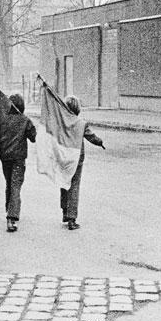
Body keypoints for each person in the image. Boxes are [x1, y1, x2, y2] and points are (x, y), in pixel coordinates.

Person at [59, 95, 105, 231]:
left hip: (64, 156)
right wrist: (100, 142)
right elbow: (92, 137)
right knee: (74, 186)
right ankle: (72, 218)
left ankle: (64, 213)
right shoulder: (81, 123)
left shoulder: (61, 122)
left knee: (64, 183)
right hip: (77, 157)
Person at [0, 93, 37, 233]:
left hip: (5, 158)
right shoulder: (25, 120)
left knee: (9, 183)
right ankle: (12, 217)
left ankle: (9, 209)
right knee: (16, 185)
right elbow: (33, 138)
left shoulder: (1, 120)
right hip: (19, 158)